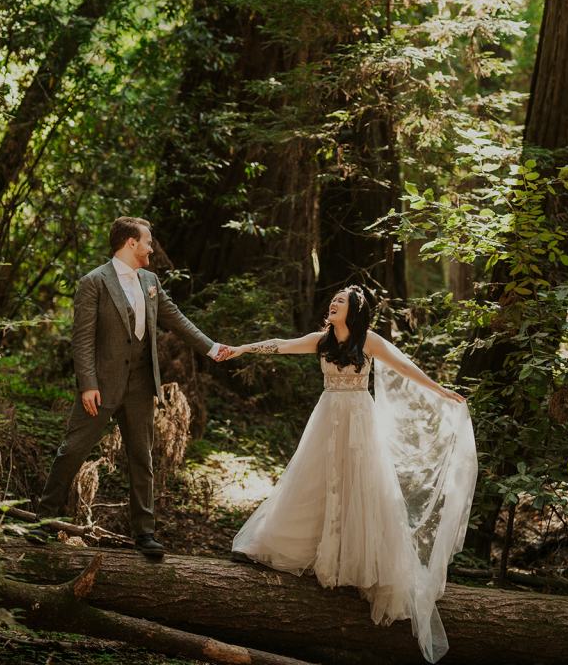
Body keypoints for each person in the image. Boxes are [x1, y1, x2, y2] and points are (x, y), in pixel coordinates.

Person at [224, 285, 477, 664]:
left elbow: (404, 366)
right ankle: (299, 548)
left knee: (363, 487)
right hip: (328, 418)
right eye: (333, 300)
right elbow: (280, 344)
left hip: (360, 422)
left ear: (355, 309)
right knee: (315, 483)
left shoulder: (368, 341)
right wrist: (243, 348)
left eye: (340, 301)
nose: (333, 304)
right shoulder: (321, 340)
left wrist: (441, 391)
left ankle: (359, 565)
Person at [36, 216, 230, 557]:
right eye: (148, 242)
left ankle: (145, 533)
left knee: (142, 458)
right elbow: (82, 340)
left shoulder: (150, 281)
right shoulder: (93, 282)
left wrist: (212, 348)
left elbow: (178, 320)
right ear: (130, 243)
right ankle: (44, 520)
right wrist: (88, 384)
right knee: (72, 451)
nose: (151, 248)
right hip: (101, 387)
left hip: (141, 386)